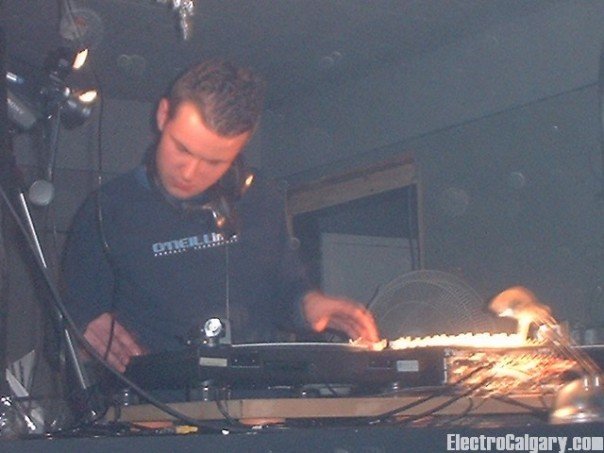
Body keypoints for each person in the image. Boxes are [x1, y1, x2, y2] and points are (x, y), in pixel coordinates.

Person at [61, 59, 379, 374]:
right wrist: (83, 332)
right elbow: (70, 326)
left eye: (214, 162)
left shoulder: (260, 198)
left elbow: (286, 289)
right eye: (182, 149)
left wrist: (312, 306)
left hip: (256, 393)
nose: (189, 173)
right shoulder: (107, 209)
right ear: (163, 115)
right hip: (153, 398)